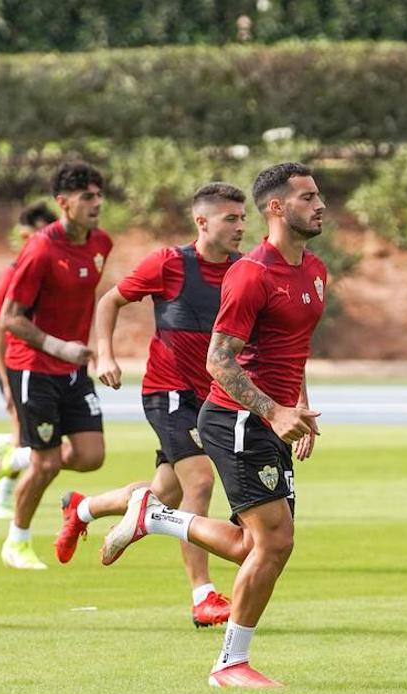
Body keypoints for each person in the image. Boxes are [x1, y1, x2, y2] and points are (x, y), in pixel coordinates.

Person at [99, 163, 328, 687]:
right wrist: (275, 410)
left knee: (255, 546)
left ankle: (155, 518)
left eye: (319, 196)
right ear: (277, 208)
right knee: (275, 543)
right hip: (238, 418)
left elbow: (293, 351)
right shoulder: (252, 273)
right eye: (307, 197)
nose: (320, 206)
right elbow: (219, 362)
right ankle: (230, 664)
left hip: (271, 420)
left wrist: (300, 407)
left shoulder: (314, 269)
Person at [55, 182, 248, 628]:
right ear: (202, 222)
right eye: (230, 219)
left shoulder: (245, 271)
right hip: (169, 392)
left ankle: (83, 508)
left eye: (242, 219)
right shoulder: (169, 263)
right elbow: (110, 300)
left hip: (214, 398)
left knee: (166, 493)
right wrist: (104, 353)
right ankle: (202, 596)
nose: (241, 227)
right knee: (198, 481)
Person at [0, 162, 112, 570]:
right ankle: (16, 541)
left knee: (91, 456)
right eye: (86, 197)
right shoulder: (40, 249)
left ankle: (13, 457)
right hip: (35, 368)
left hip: (73, 370)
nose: (97, 203)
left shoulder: (101, 244)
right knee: (49, 463)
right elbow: (9, 317)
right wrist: (60, 346)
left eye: (98, 195)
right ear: (63, 203)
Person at [0, 202, 58, 520]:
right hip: (15, 362)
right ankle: (2, 499)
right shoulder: (14, 273)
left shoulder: (49, 272)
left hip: (43, 364)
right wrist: (5, 379)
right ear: (24, 234)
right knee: (24, 435)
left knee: (36, 436)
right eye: (39, 233)